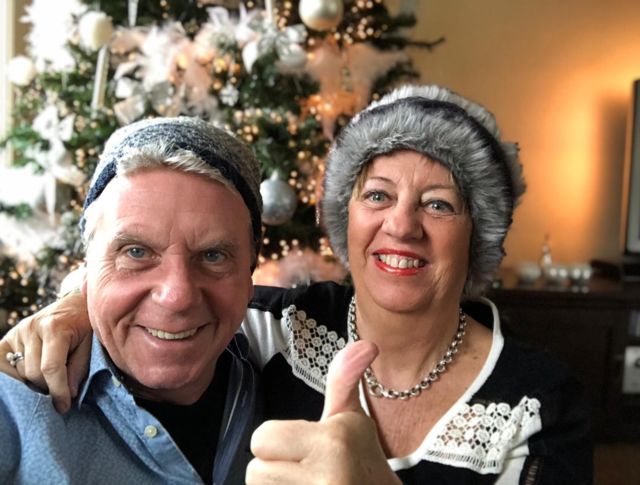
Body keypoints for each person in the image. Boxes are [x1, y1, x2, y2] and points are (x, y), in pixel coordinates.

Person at [1, 85, 594, 483]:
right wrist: (77, 306)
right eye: (378, 195)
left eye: (438, 204)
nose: (402, 225)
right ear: (345, 220)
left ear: (478, 235)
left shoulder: (536, 402)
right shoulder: (283, 328)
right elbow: (184, 295)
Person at [0, 116, 267, 484]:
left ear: (249, 276)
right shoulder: (15, 406)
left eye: (213, 256)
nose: (176, 296)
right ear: (86, 269)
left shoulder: (290, 373)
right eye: (136, 252)